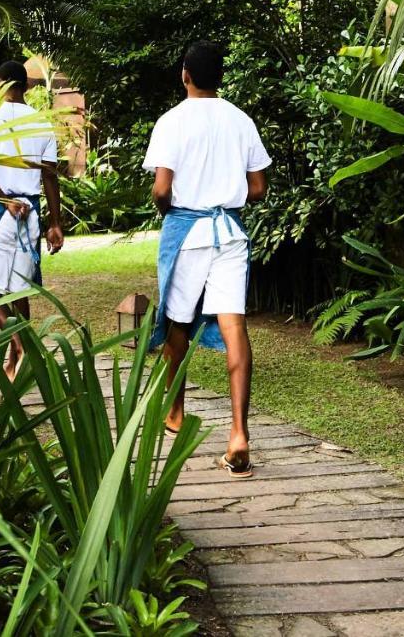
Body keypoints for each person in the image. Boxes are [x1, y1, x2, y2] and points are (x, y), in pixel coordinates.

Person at [142, 40, 270, 479]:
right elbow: (258, 188)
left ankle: (175, 411)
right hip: (230, 233)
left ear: (185, 74)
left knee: (178, 321)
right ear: (220, 77)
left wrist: (173, 212)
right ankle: (238, 434)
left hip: (188, 230)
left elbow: (162, 188)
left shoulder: (171, 121)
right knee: (234, 324)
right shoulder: (241, 120)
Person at [0, 60, 66, 378]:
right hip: (31, 212)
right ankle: (17, 360)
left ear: (0, 83)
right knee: (20, 290)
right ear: (26, 85)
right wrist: (55, 222)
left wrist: (3, 200)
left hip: (0, 209)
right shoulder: (42, 122)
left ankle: (17, 345)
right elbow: (51, 175)